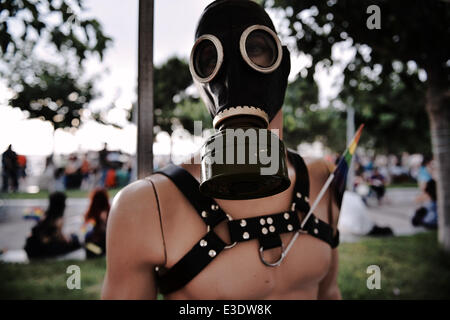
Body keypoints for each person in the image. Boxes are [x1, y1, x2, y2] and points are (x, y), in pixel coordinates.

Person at [102, 0, 341, 300]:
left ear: (282, 66)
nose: (233, 77)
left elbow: (329, 293)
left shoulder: (323, 181)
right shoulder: (145, 206)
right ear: (200, 80)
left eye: (255, 49)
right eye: (211, 59)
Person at [24, 192, 80, 259]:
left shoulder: (45, 215)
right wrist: (69, 240)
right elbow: (59, 238)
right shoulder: (58, 219)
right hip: (45, 249)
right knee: (75, 239)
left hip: (33, 248)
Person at [83, 188, 110, 258]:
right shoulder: (108, 211)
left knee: (87, 240)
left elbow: (84, 231)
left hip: (94, 246)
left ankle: (98, 252)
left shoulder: (91, 214)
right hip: (104, 245)